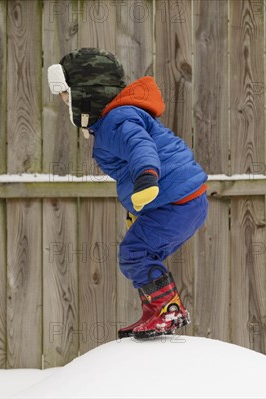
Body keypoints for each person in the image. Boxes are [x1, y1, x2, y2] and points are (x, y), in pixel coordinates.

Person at [47, 48, 208, 339]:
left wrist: (147, 177)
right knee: (143, 254)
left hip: (175, 202)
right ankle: (154, 310)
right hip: (183, 200)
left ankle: (168, 312)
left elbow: (140, 148)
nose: (65, 104)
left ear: (87, 95)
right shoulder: (116, 119)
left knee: (134, 253)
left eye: (68, 97)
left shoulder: (117, 121)